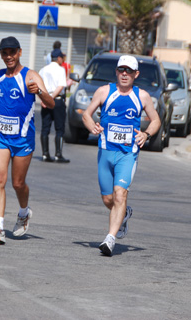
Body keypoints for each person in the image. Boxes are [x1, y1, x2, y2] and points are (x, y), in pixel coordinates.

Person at [0, 36, 54, 245]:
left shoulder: (30, 76)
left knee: (18, 184)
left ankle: (24, 212)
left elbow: (51, 103)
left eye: (12, 52)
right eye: (4, 53)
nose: (8, 56)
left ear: (19, 53)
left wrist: (40, 92)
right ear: (1, 55)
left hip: (23, 139)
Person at [82, 55, 160, 257]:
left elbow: (156, 120)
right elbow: (86, 114)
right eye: (121, 70)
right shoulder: (104, 91)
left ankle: (110, 239)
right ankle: (124, 214)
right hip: (106, 152)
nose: (124, 74)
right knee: (108, 199)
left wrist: (146, 134)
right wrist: (91, 126)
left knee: (120, 194)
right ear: (116, 72)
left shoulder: (142, 96)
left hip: (128, 154)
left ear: (136, 74)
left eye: (129, 71)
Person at [39, 47, 70, 163]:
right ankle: (58, 154)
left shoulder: (43, 70)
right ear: (58, 58)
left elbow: (38, 86)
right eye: (62, 57)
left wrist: (44, 99)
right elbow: (61, 86)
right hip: (56, 100)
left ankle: (45, 154)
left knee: (45, 128)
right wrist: (50, 98)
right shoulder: (60, 70)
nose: (63, 60)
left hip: (45, 101)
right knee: (59, 129)